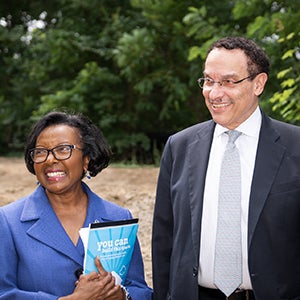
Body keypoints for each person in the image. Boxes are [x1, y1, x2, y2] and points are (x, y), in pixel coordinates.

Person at [152, 36, 300, 300]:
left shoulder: (295, 146)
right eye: (209, 81)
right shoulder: (180, 146)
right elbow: (164, 239)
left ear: (259, 84)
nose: (215, 92)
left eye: (229, 82)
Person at [0, 111, 152, 300]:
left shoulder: (118, 217)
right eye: (40, 152)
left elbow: (141, 290)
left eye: (63, 149)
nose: (50, 159)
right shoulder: (8, 221)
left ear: (86, 159)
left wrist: (121, 295)